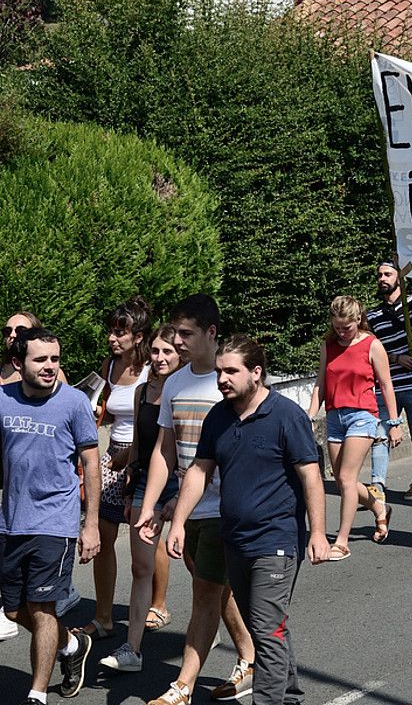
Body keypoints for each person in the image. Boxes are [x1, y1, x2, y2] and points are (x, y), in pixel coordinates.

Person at [172, 336, 328, 705]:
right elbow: (199, 471)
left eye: (231, 371)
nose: (222, 379)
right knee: (268, 627)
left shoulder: (287, 416)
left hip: (277, 540)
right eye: (219, 372)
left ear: (256, 373)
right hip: (235, 540)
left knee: (264, 627)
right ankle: (288, 696)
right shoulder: (219, 417)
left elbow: (311, 476)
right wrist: (178, 521)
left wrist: (319, 532)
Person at [136, 295, 256, 705]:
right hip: (189, 508)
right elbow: (164, 451)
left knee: (206, 592)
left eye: (187, 334)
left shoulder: (230, 380)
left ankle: (181, 687)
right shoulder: (176, 382)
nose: (179, 341)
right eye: (177, 333)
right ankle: (251, 656)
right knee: (218, 593)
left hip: (228, 508)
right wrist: (152, 504)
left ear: (211, 333)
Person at [0, 327, 100, 704]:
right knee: (14, 611)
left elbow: (90, 464)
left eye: (55, 359)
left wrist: (89, 525)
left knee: (43, 608)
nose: (50, 367)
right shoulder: (3, 400)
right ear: (17, 363)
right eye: (40, 360)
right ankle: (73, 645)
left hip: (54, 521)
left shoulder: (74, 402)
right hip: (11, 521)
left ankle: (37, 693)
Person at [99, 325, 182, 673]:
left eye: (168, 352)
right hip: (148, 479)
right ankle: (132, 648)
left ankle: (243, 643)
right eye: (156, 351)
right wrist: (129, 468)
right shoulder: (143, 390)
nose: (160, 358)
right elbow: (141, 439)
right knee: (140, 566)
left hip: (187, 482)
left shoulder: (189, 389)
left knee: (204, 571)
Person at [82, 297, 152, 642]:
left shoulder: (154, 367)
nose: (112, 337)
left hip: (145, 457)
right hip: (113, 455)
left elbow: (154, 416)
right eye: (111, 330)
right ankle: (104, 617)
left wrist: (134, 457)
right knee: (105, 535)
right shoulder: (110, 365)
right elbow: (105, 408)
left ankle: (159, 604)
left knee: (146, 536)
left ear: (138, 336)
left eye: (120, 332)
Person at [307, 296, 398, 560]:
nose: (342, 332)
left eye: (346, 327)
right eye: (337, 327)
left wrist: (393, 423)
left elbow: (386, 384)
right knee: (340, 479)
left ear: (358, 319)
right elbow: (320, 384)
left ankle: (342, 541)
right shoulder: (329, 345)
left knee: (346, 478)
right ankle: (380, 508)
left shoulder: (372, 345)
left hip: (363, 415)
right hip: (335, 416)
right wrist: (311, 415)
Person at [365, 262, 412, 498]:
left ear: (398, 277)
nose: (382, 278)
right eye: (379, 275)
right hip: (387, 386)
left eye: (388, 274)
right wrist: (395, 357)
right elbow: (370, 348)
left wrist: (411, 267)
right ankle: (378, 485)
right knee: (380, 433)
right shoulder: (372, 315)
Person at [1, 312, 67, 386]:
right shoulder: (2, 371)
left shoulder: (52, 373)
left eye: (20, 330)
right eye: (7, 331)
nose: (12, 335)